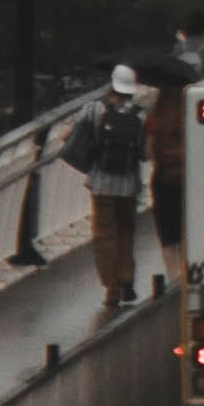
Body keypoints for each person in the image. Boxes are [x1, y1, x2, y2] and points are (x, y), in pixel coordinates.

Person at [62, 66, 149, 333]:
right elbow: (145, 152)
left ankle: (111, 287)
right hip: (129, 183)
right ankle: (127, 279)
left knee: (104, 234)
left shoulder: (94, 109)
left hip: (101, 183)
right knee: (126, 231)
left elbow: (69, 137)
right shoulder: (141, 114)